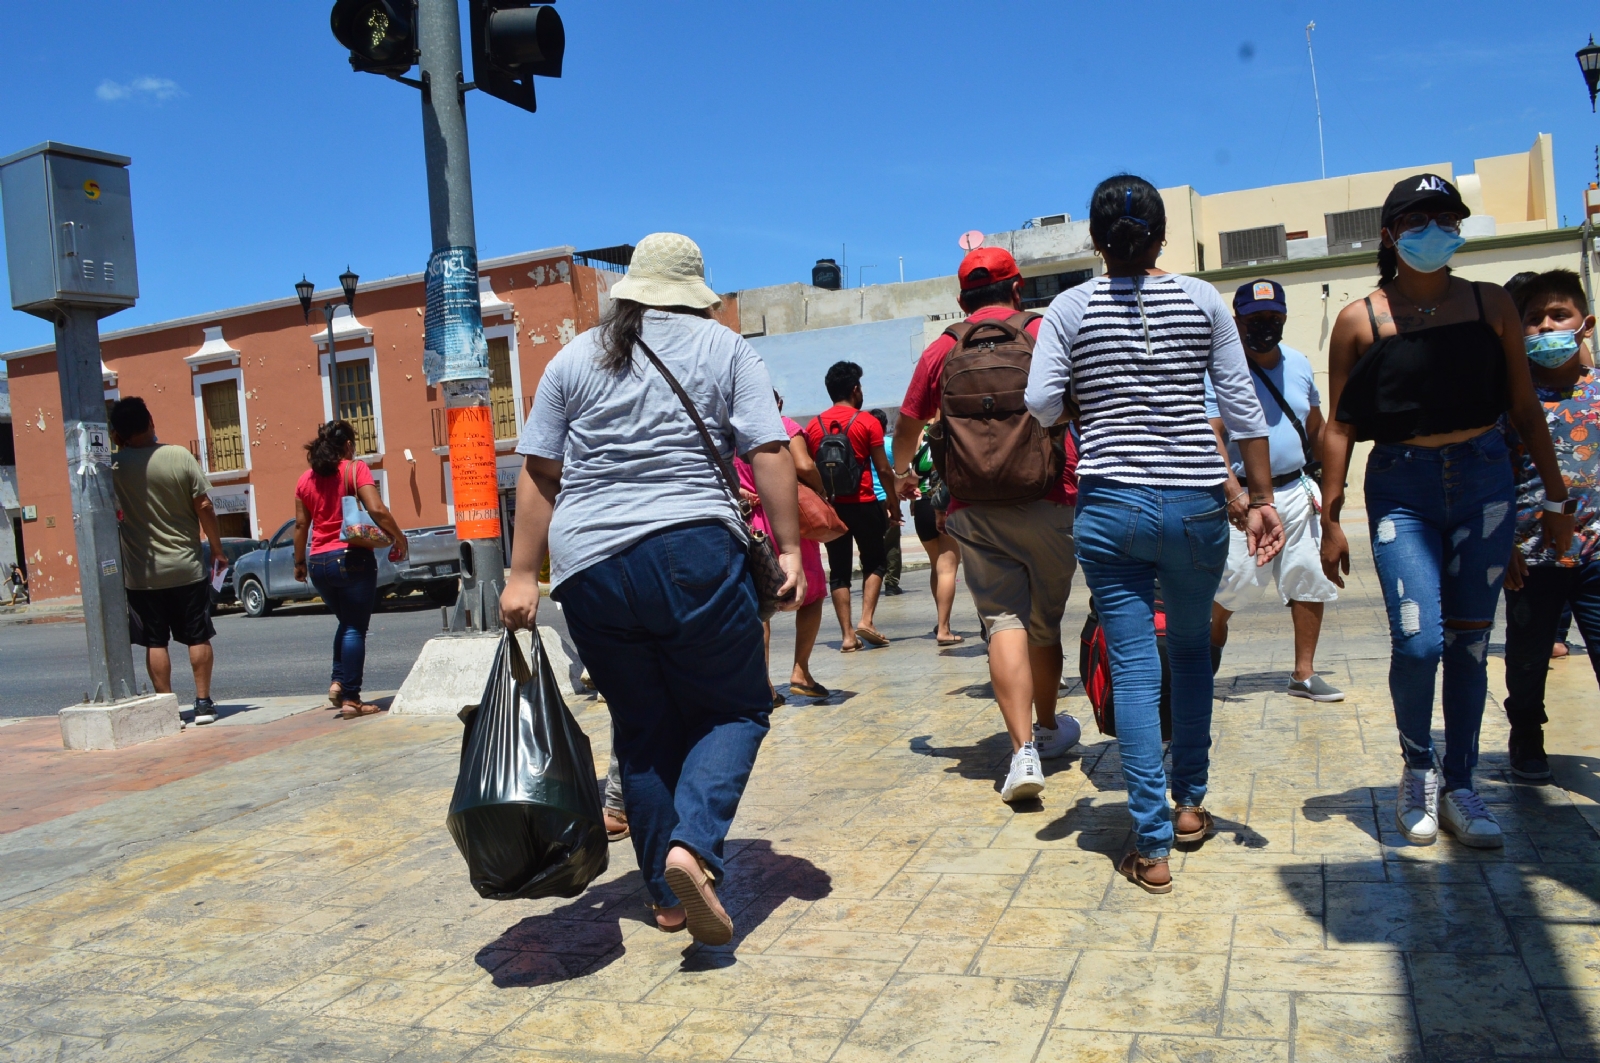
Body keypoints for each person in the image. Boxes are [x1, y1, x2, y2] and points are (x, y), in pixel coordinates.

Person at [500, 232, 804, 947]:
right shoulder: (726, 349)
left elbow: (540, 471)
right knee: (735, 709)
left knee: (642, 731)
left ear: (631, 291)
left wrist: (521, 574)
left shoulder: (575, 355)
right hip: (690, 550)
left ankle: (668, 901)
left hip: (589, 571)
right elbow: (766, 448)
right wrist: (789, 546)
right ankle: (691, 848)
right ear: (692, 293)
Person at [1025, 176, 1285, 893]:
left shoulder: (1070, 309)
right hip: (1197, 505)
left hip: (1112, 505)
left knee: (1136, 666)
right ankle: (1191, 802)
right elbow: (1240, 404)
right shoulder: (1203, 299)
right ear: (1164, 236)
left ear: (1095, 240)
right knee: (1194, 651)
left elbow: (1042, 401)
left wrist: (1090, 388)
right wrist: (1260, 498)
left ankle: (1151, 841)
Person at [1320, 174, 1572, 850]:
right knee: (1419, 638)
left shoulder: (1491, 306)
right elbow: (1340, 426)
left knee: (1467, 641)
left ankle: (1461, 784)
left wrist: (1552, 499)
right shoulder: (1359, 321)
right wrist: (1330, 517)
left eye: (1447, 216)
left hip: (1486, 482)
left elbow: (1524, 407)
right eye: (1420, 218)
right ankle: (1418, 771)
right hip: (1404, 485)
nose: (1437, 228)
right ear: (1390, 233)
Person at [894, 246, 1083, 804]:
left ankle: (1021, 750)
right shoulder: (1047, 331)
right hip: (1052, 495)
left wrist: (902, 473)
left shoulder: (943, 349)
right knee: (1044, 623)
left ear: (961, 299)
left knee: (1003, 622)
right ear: (1018, 289)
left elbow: (907, 426)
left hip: (973, 509)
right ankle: (1048, 729)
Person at [1207, 279, 1343, 701]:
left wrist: (1330, 490)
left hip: (1297, 489)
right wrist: (1233, 491)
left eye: (1273, 317)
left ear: (1284, 316)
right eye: (1255, 318)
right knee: (1239, 581)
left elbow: (1316, 427)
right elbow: (1212, 434)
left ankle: (1303, 673)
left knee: (1308, 577)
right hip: (1246, 498)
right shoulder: (1221, 369)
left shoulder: (1300, 363)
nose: (1265, 325)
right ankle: (1205, 645)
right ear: (1237, 320)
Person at [1500, 268, 1600, 780]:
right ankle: (1527, 735)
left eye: (1558, 315)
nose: (1545, 327)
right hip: (1531, 556)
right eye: (1533, 319)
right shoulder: (1509, 402)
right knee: (1527, 658)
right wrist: (1504, 545)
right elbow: (1492, 477)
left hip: (1597, 556)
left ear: (1585, 324)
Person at [109, 397, 228, 724]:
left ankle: (165, 710)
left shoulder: (113, 467)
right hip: (186, 568)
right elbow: (204, 506)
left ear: (117, 433)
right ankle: (203, 703)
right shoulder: (179, 456)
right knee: (198, 635)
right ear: (150, 420)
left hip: (141, 575)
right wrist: (217, 549)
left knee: (154, 641)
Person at [292, 420, 408, 719]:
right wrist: (400, 537)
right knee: (355, 627)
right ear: (347, 445)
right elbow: (377, 509)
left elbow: (301, 525)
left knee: (346, 622)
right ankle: (352, 699)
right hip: (351, 558)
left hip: (318, 563)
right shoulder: (354, 469)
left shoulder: (305, 480)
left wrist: (299, 563)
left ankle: (338, 682)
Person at [736, 392, 830, 704]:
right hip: (787, 518)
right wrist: (820, 487)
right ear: (776, 404)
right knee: (812, 594)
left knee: (761, 604)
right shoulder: (785, 426)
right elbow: (803, 465)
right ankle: (800, 671)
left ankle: (763, 684)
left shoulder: (733, 433)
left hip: (751, 524)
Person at [806, 362, 897, 651]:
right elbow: (883, 469)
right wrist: (893, 503)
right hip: (865, 502)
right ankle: (866, 621)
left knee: (839, 570)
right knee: (875, 561)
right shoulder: (867, 422)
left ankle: (847, 636)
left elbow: (809, 468)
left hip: (834, 507)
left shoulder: (813, 426)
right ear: (855, 389)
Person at [909, 420, 962, 645]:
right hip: (946, 502)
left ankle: (943, 621)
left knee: (936, 566)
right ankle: (943, 629)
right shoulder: (954, 429)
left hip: (922, 504)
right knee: (948, 568)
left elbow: (914, 471)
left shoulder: (921, 434)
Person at [870, 409, 904, 596]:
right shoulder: (891, 446)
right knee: (892, 543)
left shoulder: (861, 445)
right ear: (885, 426)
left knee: (870, 542)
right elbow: (901, 472)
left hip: (867, 500)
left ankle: (872, 579)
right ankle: (891, 584)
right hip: (888, 498)